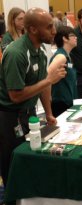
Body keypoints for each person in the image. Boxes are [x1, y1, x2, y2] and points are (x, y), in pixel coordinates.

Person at [0, 7, 66, 187]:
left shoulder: (41, 51)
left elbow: (44, 86)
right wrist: (48, 81)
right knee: (12, 162)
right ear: (33, 30)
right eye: (49, 27)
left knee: (29, 158)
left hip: (29, 114)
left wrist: (49, 113)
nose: (54, 31)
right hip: (10, 116)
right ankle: (9, 204)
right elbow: (15, 95)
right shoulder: (16, 53)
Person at [51, 26, 78, 117]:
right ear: (64, 38)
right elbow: (46, 78)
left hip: (69, 102)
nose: (76, 37)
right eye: (72, 36)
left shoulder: (68, 56)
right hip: (61, 104)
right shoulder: (61, 56)